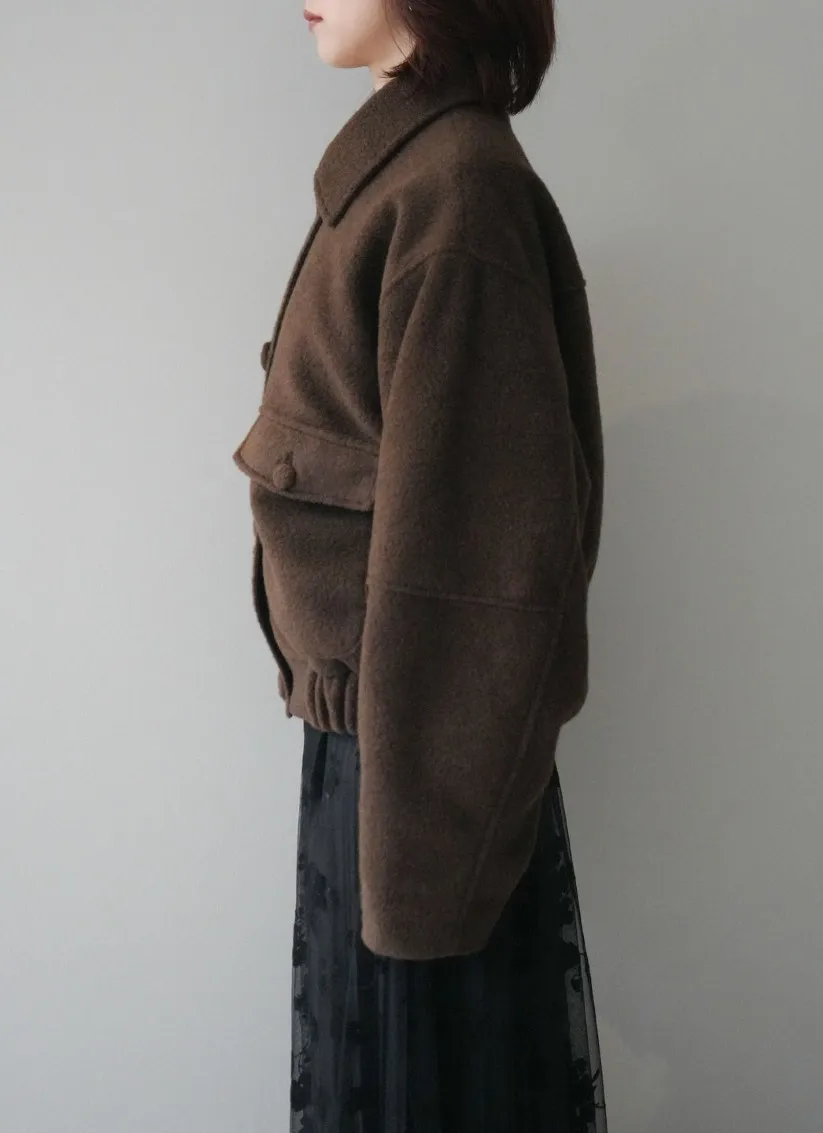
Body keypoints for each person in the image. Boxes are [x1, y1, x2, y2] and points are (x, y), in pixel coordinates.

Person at [232, 0, 607, 1128]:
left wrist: (415, 905)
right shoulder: (408, 180)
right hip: (381, 769)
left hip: (418, 788)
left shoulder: (456, 194)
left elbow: (477, 582)